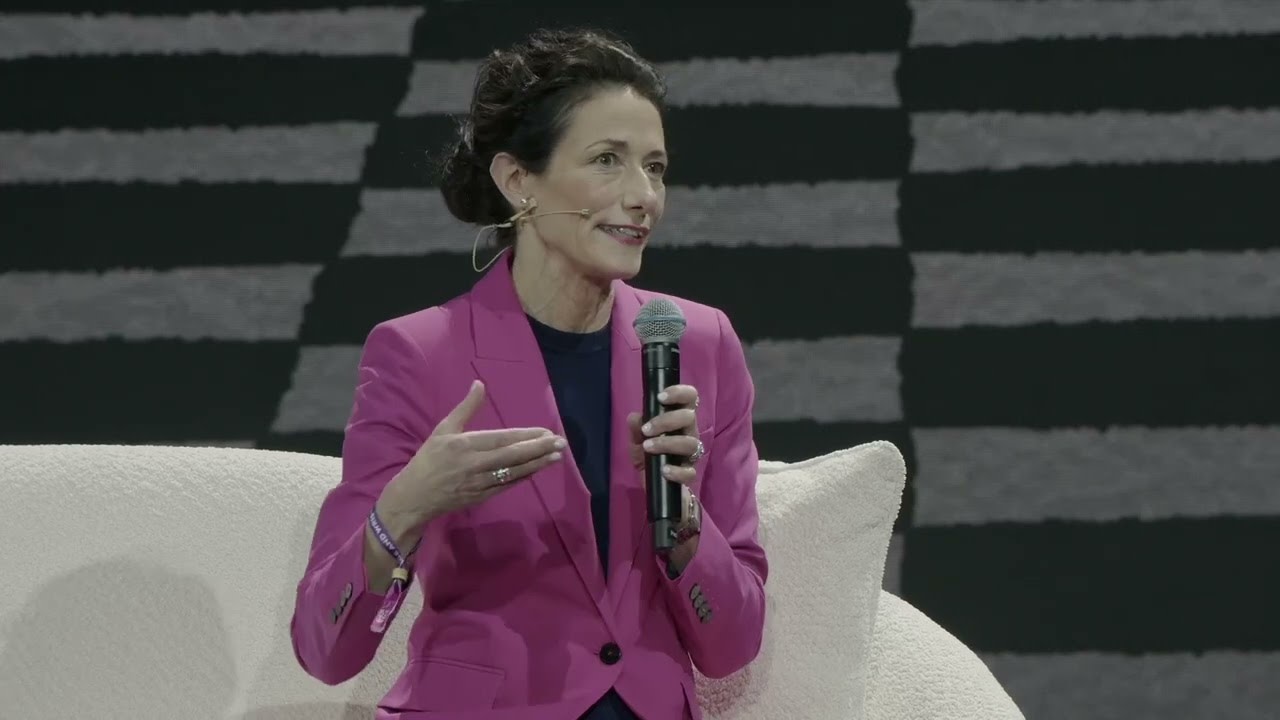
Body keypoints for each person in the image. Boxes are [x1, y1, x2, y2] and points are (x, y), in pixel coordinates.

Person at [290, 28, 768, 720]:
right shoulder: (420, 354)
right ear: (518, 181)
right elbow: (324, 649)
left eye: (657, 168)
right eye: (609, 160)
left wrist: (687, 524)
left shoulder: (699, 343)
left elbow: (733, 645)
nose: (644, 197)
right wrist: (404, 508)